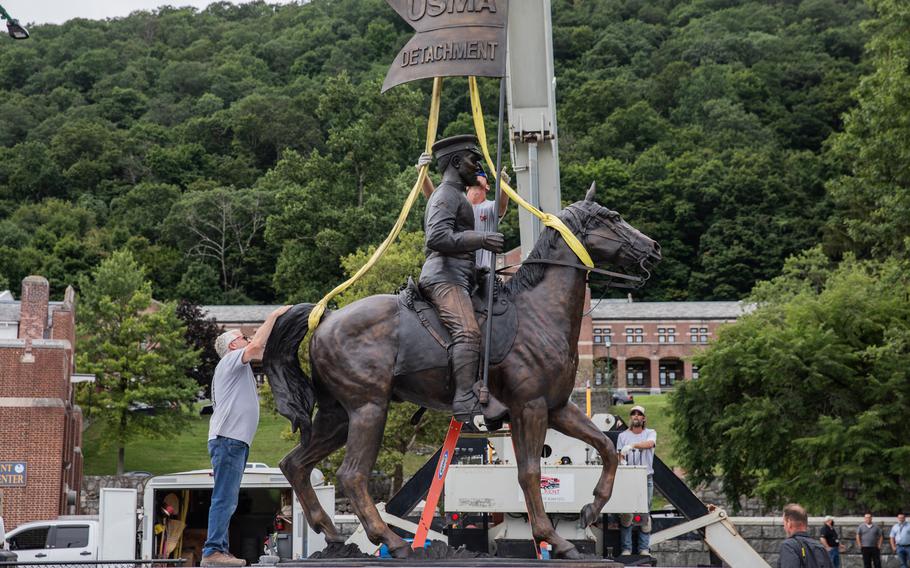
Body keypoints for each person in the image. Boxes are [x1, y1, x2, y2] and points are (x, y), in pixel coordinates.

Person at [418, 135, 506, 423]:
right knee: (468, 331)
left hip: (464, 277)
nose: (477, 166)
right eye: (473, 160)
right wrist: (481, 238)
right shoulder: (445, 195)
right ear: (456, 162)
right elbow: (438, 237)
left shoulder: (456, 196)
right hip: (445, 278)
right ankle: (465, 398)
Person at [201, 305, 292, 567]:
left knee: (227, 499)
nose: (247, 338)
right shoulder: (230, 361)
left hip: (232, 442)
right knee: (224, 498)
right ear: (232, 347)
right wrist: (273, 316)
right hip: (228, 441)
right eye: (241, 337)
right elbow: (255, 348)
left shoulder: (236, 368)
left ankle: (218, 550)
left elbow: (261, 350)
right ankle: (213, 551)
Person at [417, 152, 509, 270]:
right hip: (458, 270)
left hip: (484, 272)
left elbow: (501, 206)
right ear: (467, 185)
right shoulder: (457, 202)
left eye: (480, 173)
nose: (476, 175)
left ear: (487, 186)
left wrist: (504, 186)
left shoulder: (490, 207)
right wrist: (422, 174)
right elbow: (433, 196)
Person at [617, 405, 656, 556]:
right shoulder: (623, 436)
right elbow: (619, 455)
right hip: (628, 479)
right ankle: (626, 549)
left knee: (644, 513)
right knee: (627, 515)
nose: (636, 416)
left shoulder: (650, 433)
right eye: (633, 414)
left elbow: (650, 444)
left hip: (646, 478)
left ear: (644, 418)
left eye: (639, 414)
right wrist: (622, 460)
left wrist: (632, 445)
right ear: (630, 418)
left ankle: (644, 549)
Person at [779, 503, 832, 568]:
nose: (784, 527)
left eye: (783, 523)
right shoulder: (821, 548)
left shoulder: (789, 546)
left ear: (789, 523)